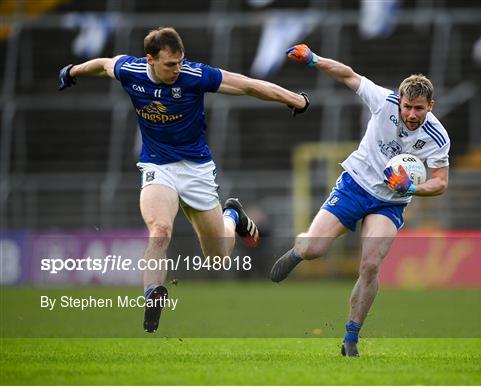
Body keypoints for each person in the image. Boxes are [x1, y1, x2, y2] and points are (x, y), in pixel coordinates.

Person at [59, 27, 309, 333]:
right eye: (169, 64)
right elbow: (102, 65)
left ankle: (232, 215)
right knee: (160, 230)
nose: (177, 69)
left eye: (180, 62)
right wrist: (73, 70)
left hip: (197, 169)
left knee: (218, 256)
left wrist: (295, 99)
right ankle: (152, 294)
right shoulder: (131, 70)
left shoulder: (194, 75)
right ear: (149, 60)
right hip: (157, 166)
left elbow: (246, 85)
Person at [270, 44, 450, 357]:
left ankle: (351, 338)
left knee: (369, 265)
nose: (411, 114)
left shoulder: (437, 137)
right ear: (400, 99)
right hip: (355, 184)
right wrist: (312, 59)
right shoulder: (384, 101)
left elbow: (440, 183)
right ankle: (299, 251)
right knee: (315, 248)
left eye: (419, 109)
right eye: (407, 106)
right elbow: (348, 75)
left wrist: (410, 189)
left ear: (430, 106)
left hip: (390, 202)